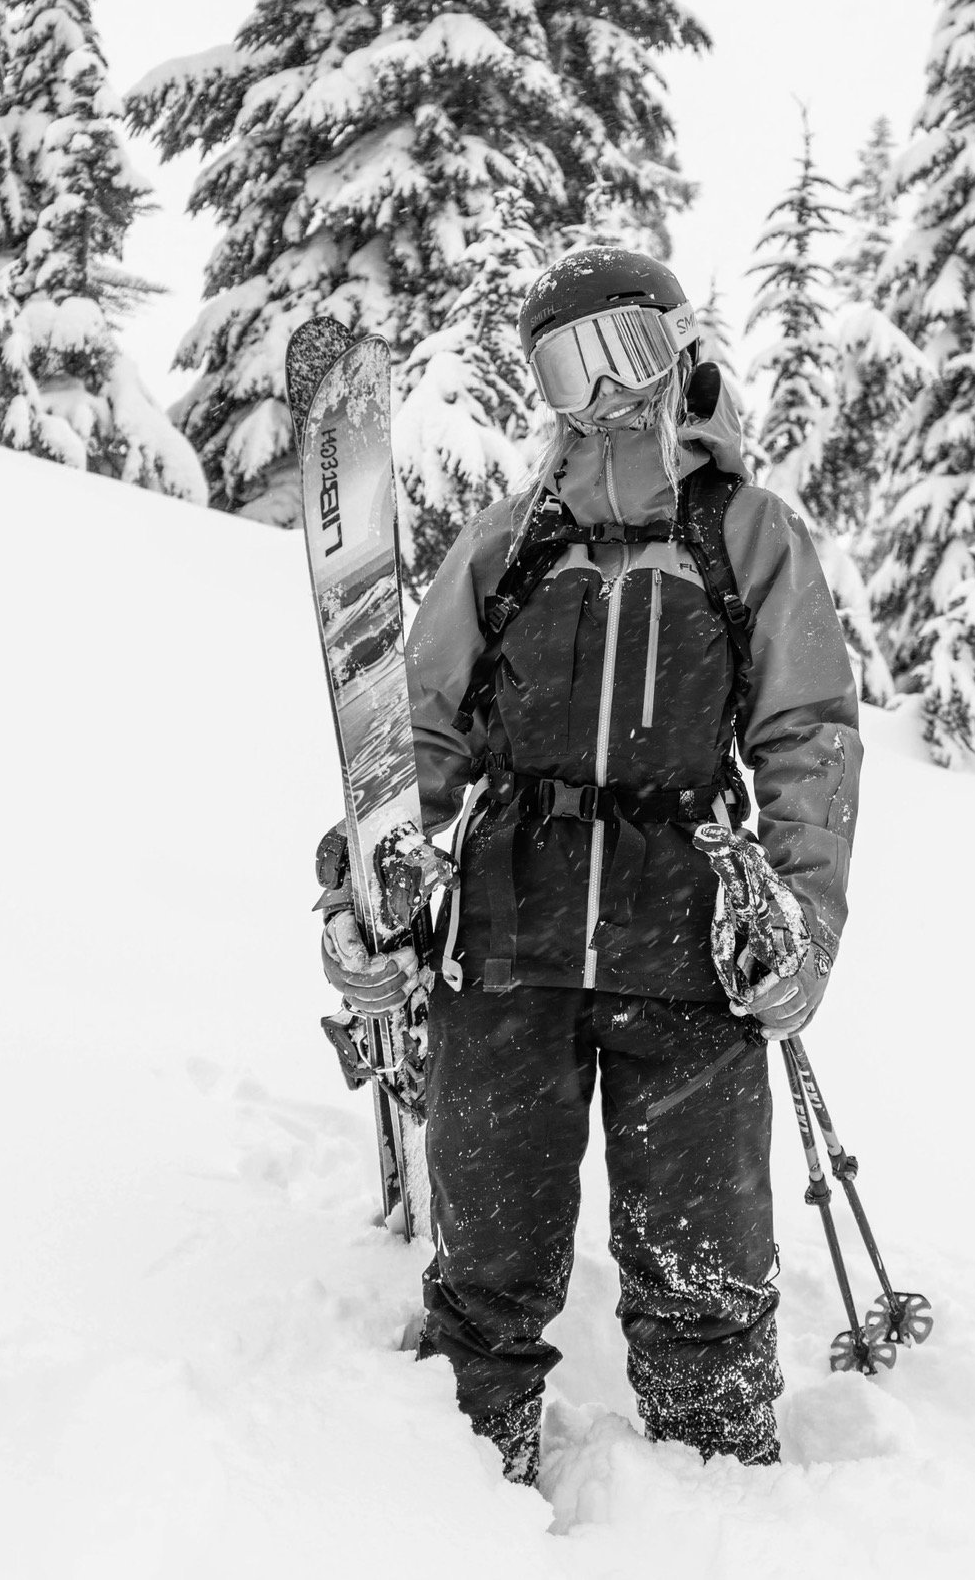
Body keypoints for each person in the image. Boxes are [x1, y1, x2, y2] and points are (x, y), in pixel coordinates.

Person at [331, 246, 861, 1485]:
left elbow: (805, 738)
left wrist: (801, 918)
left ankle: (721, 1507)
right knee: (491, 1263)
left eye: (623, 352)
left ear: (677, 352)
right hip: (506, 941)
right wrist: (368, 901)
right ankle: (448, 1511)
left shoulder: (748, 537)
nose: (604, 392)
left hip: (685, 947)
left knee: (704, 1266)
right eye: (567, 369)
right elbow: (412, 737)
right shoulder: (508, 545)